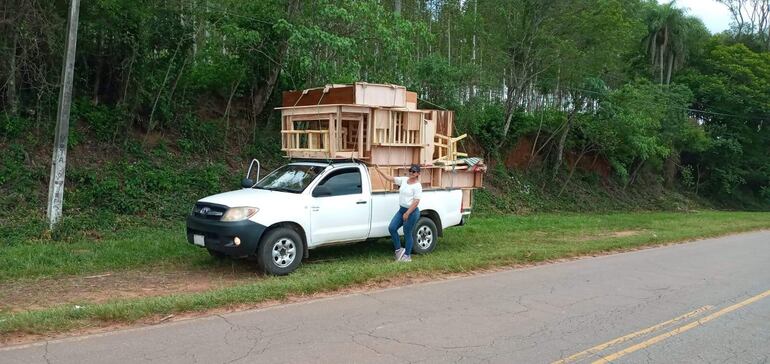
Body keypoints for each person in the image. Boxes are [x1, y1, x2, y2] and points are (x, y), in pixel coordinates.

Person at [374, 164, 422, 262]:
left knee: (407, 233)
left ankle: (407, 256)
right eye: (410, 170)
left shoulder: (417, 186)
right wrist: (378, 170)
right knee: (392, 228)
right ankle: (399, 250)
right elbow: (390, 178)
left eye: (414, 171)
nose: (411, 173)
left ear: (418, 174)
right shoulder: (404, 180)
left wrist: (408, 213)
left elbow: (416, 201)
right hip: (402, 210)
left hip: (411, 212)